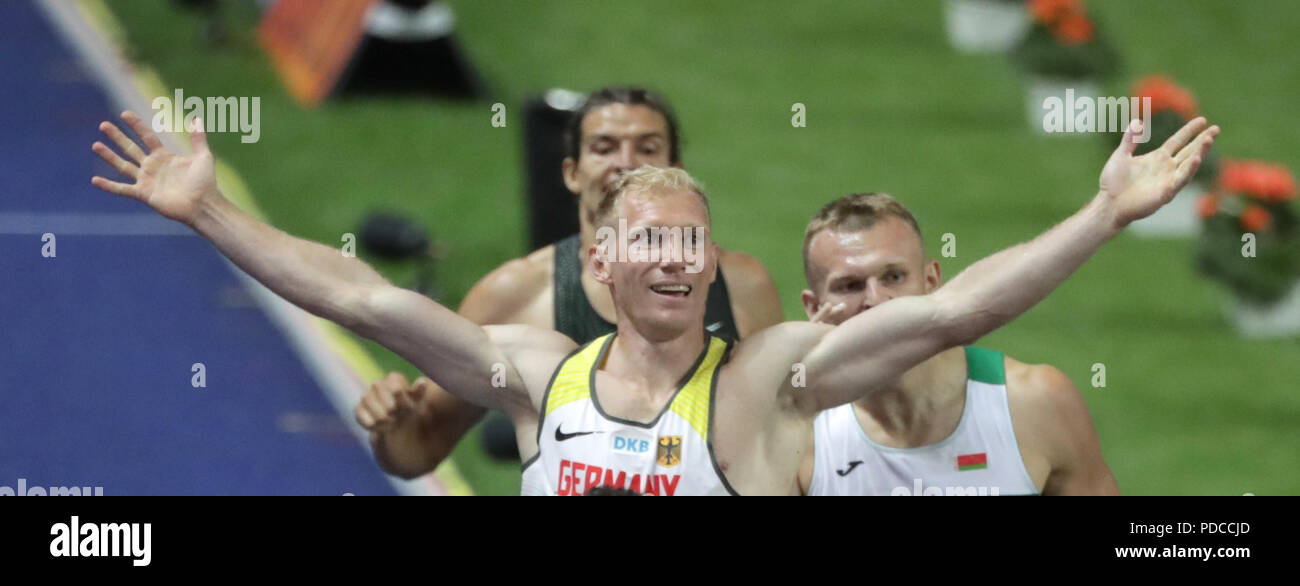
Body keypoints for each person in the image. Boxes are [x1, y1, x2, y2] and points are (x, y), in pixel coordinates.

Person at [90, 110, 1217, 494]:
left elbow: (951, 313)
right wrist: (210, 213)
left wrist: (1102, 215)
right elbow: (358, 292)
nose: (678, 260)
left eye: (692, 238)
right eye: (650, 241)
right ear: (602, 262)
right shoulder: (536, 372)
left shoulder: (774, 379)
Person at [353, 87, 784, 478]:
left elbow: (784, 437)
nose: (626, 162)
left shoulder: (739, 283)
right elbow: (419, 448)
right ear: (572, 172)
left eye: (647, 147)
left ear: (676, 169)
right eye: (604, 147)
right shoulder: (516, 295)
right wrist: (392, 424)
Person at [794, 193, 1118, 495]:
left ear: (932, 281)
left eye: (893, 277)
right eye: (850, 286)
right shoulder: (796, 437)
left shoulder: (1035, 402)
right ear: (814, 308)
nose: (875, 301)